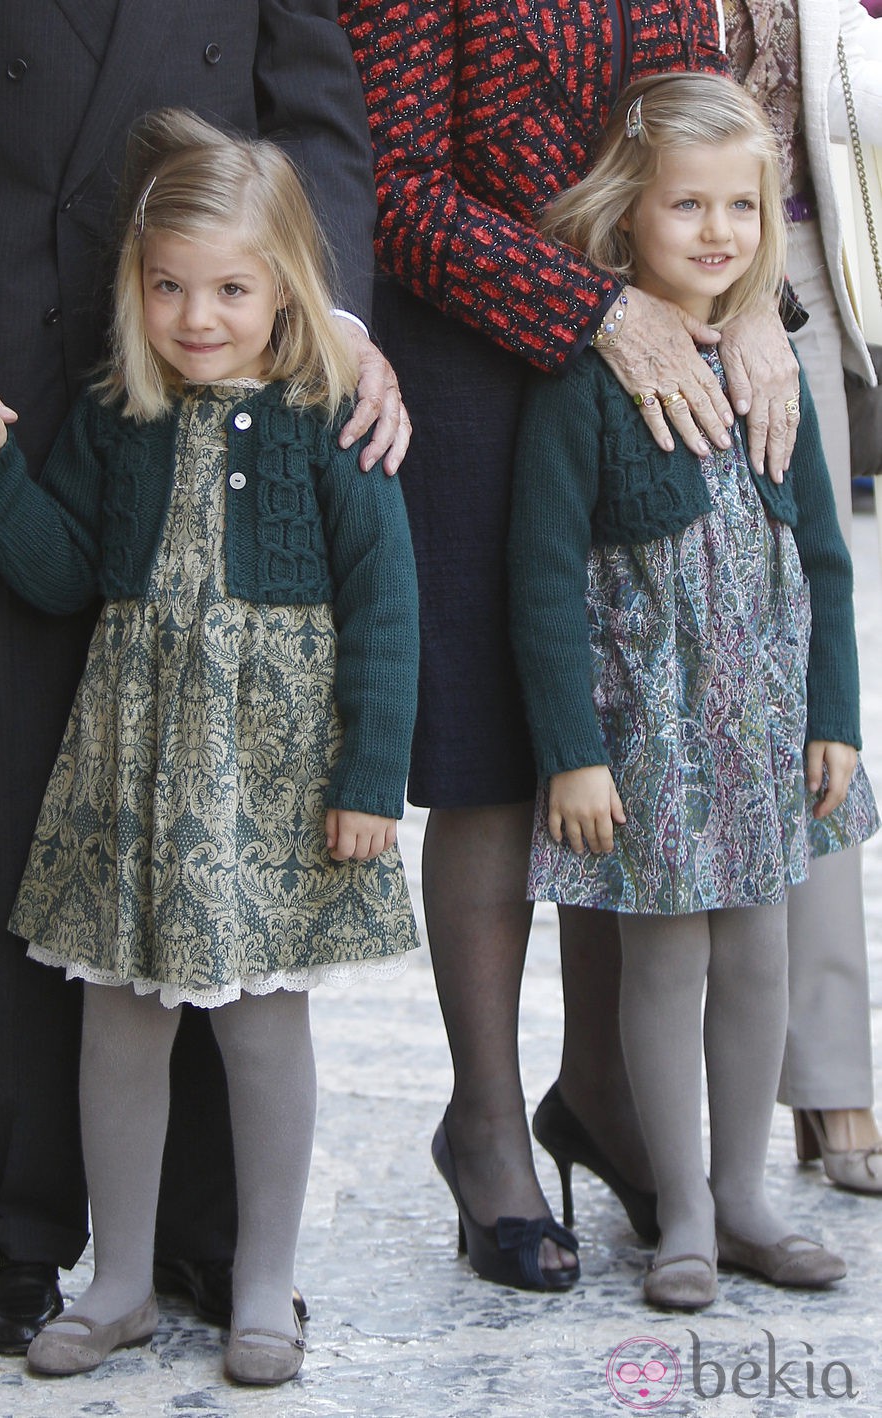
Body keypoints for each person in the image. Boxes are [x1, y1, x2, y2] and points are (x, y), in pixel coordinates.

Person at [0, 1, 409, 1355]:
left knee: (228, 876)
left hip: (220, 312)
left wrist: (328, 319)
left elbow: (315, 114)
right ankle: (18, 1225)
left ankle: (218, 1234)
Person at [340, 0, 803, 1289]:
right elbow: (394, 186)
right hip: (482, 357)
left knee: (634, 733)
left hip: (662, 337)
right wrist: (596, 307)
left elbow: (710, 119)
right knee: (498, 746)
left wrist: (748, 303)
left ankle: (602, 1097)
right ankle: (484, 1125)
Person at [509, 71, 878, 1310]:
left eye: (737, 207)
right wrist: (571, 748)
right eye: (685, 206)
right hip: (649, 734)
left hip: (766, 727)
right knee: (662, 967)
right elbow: (542, 576)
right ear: (628, 218)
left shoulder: (772, 371)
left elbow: (822, 555)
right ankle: (674, 1210)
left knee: (758, 958)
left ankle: (744, 1196)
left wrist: (834, 716)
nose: (714, 232)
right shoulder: (586, 382)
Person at [720, 0, 882, 1195]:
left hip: (809, 285)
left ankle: (831, 1077)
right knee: (663, 689)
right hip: (622, 290)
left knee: (809, 671)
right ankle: (660, 1105)